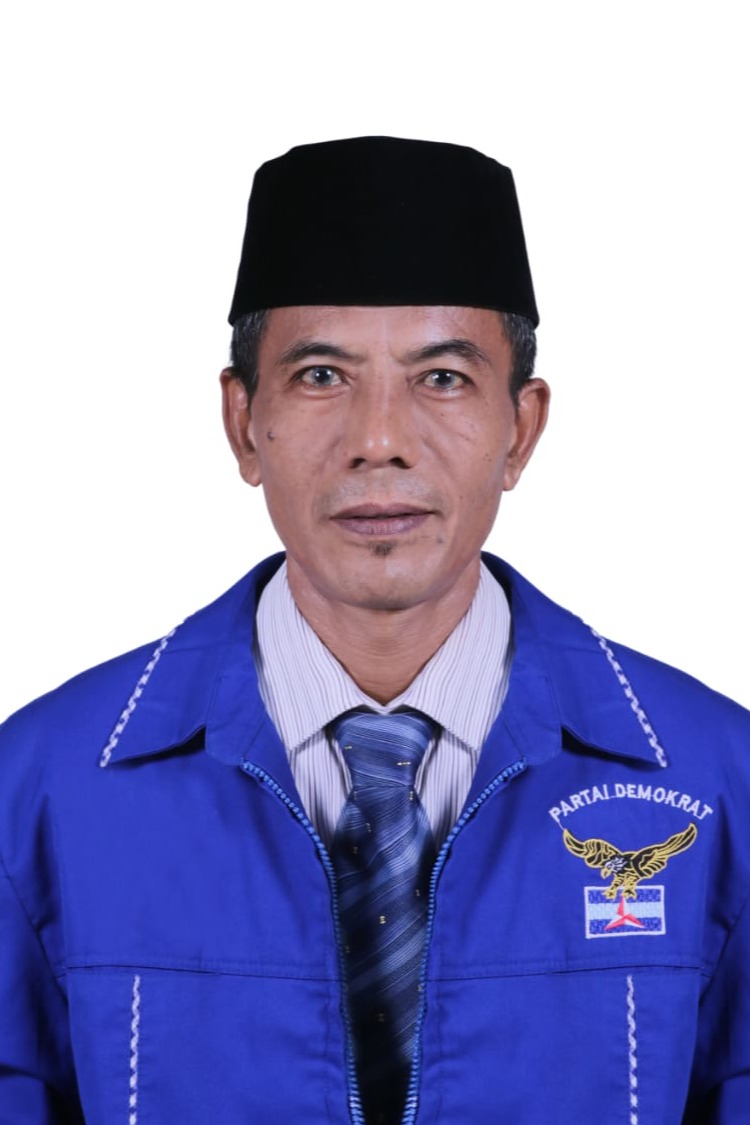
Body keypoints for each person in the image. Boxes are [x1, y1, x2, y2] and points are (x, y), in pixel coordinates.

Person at [0, 136, 748, 1125]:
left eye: (443, 378)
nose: (380, 440)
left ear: (521, 429)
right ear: (243, 422)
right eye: (321, 375)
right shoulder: (45, 789)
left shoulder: (717, 781)